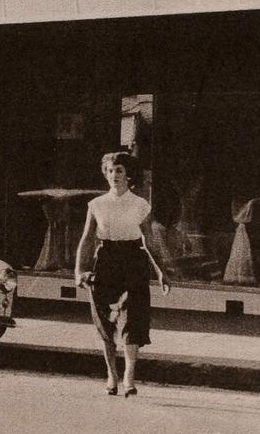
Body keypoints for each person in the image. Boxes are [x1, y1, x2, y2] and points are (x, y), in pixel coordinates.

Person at [74, 151, 170, 398]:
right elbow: (86, 240)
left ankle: (129, 376)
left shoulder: (140, 205)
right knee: (104, 321)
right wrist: (78, 270)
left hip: (133, 262)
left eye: (119, 170)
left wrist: (161, 271)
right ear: (105, 174)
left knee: (133, 318)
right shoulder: (96, 205)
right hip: (105, 261)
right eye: (110, 170)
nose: (114, 175)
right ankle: (111, 374)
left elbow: (150, 240)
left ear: (128, 175)